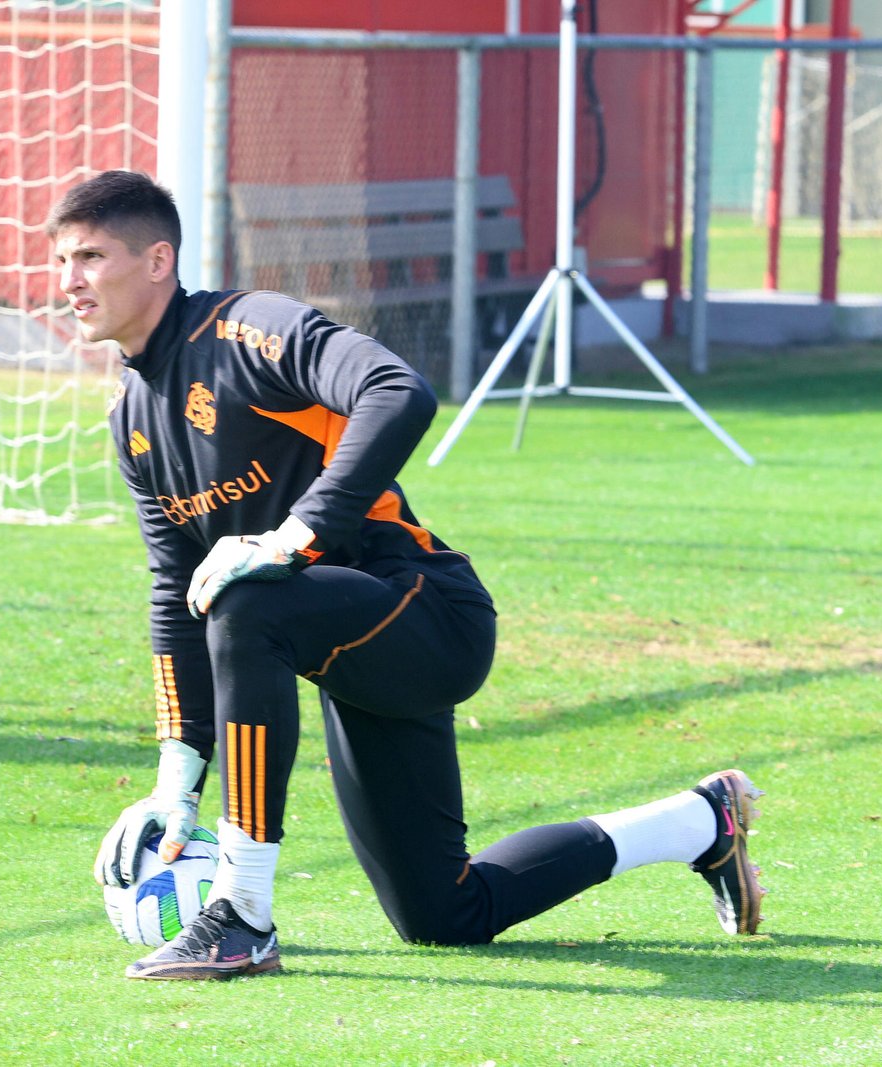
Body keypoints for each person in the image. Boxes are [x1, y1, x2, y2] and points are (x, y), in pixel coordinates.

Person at [47, 170, 767, 982]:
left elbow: (398, 390)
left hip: (425, 611)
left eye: (89, 256)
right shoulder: (131, 419)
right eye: (62, 259)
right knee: (444, 915)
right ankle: (702, 821)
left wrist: (293, 536)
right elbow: (175, 591)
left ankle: (241, 913)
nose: (69, 280)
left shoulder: (245, 328)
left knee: (246, 603)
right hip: (346, 653)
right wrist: (176, 784)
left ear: (157, 261)